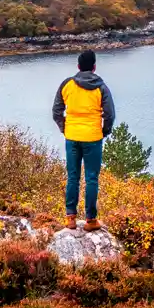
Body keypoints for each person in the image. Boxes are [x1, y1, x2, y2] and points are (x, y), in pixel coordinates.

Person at [52, 49, 115, 231]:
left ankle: (70, 218)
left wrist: (65, 128)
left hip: (72, 136)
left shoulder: (67, 84)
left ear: (78, 66)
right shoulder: (101, 87)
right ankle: (90, 220)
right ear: (94, 67)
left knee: (73, 177)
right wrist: (104, 130)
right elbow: (110, 114)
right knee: (91, 178)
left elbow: (56, 111)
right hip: (93, 138)